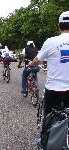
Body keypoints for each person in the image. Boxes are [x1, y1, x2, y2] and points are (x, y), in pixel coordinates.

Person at [29, 11, 69, 148]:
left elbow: (38, 60)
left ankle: (43, 143)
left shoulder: (51, 42)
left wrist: (31, 63)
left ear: (59, 26)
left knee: (48, 119)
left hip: (54, 89)